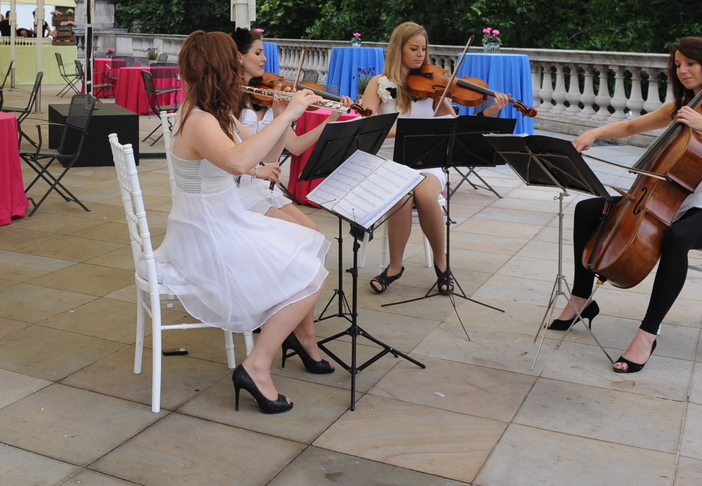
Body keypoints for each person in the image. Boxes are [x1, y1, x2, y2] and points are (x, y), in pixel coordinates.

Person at [553, 37, 702, 373]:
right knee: (589, 209)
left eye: (690, 64)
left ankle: (648, 333)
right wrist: (594, 133)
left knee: (677, 237)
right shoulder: (680, 107)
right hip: (677, 196)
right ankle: (582, 297)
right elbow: (631, 125)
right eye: (678, 65)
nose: (682, 71)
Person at [156, 31, 333, 415]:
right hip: (207, 232)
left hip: (220, 219)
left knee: (308, 252)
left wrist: (287, 116)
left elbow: (264, 151)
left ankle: (277, 350)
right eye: (233, 65)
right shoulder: (200, 119)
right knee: (308, 272)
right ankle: (256, 366)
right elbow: (238, 163)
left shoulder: (215, 114)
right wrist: (288, 112)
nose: (240, 71)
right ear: (220, 69)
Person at [359, 22, 507, 296]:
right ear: (398, 49)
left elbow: (455, 124)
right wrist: (407, 129)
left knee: (426, 195)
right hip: (389, 162)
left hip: (426, 160)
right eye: (413, 48)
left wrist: (488, 113)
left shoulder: (433, 85)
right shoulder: (379, 84)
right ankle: (394, 266)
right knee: (401, 197)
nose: (420, 54)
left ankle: (442, 264)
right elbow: (367, 128)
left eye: (423, 49)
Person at [231, 28, 344, 230]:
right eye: (258, 53)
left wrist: (330, 119)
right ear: (239, 56)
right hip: (238, 186)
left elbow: (296, 146)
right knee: (304, 235)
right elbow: (253, 153)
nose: (264, 59)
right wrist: (285, 116)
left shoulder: (267, 96)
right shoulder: (228, 101)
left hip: (262, 186)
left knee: (314, 230)